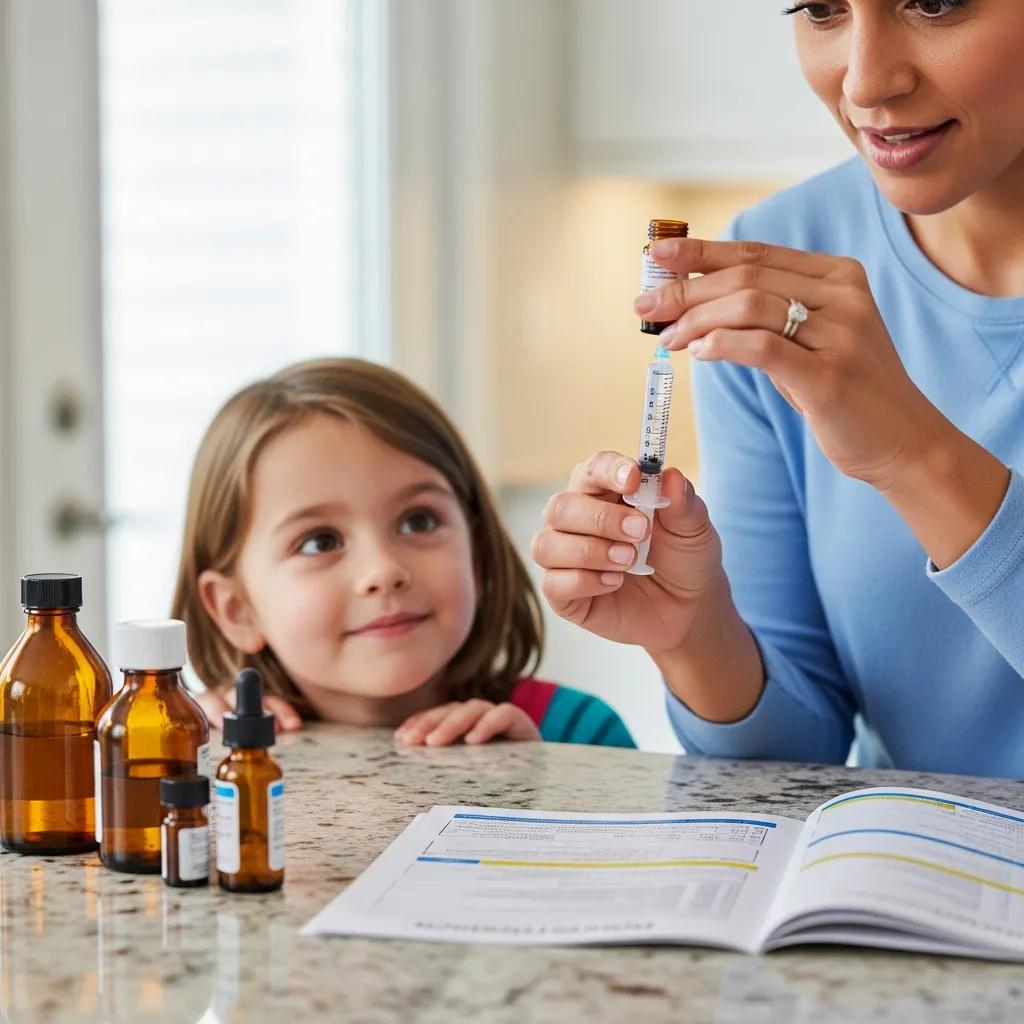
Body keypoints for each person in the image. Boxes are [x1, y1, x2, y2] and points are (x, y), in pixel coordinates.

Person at [531, 0, 1024, 774]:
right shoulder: (784, 269)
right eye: (821, 9)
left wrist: (910, 453)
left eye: (934, 3)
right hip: (906, 877)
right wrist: (692, 635)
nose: (865, 83)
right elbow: (798, 757)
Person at [172, 358, 634, 749]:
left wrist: (534, 786)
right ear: (237, 610)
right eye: (320, 541)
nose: (383, 571)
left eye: (419, 521)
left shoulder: (577, 733)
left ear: (477, 547)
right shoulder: (206, 747)